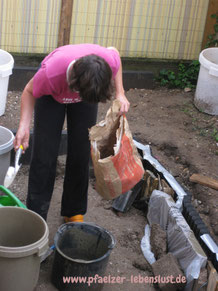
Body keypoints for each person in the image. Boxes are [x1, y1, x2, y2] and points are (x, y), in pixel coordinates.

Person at [14, 43, 130, 222]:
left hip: (87, 87)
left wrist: (120, 93)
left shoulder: (106, 63)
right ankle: (36, 214)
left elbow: (115, 52)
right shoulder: (51, 74)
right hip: (52, 94)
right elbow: (29, 92)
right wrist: (23, 125)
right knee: (44, 152)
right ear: (74, 85)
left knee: (81, 149)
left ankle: (73, 210)